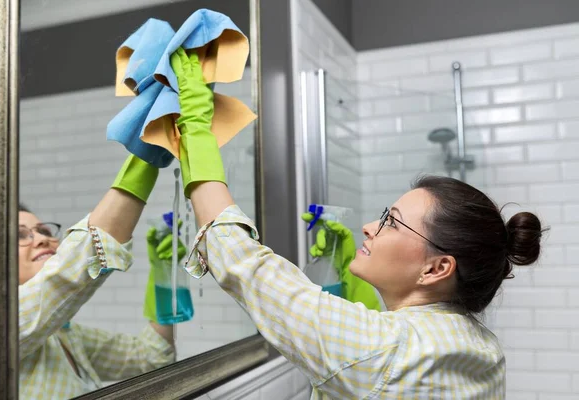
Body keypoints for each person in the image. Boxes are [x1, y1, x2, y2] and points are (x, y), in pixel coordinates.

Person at [168, 47, 545, 398]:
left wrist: (197, 129)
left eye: (390, 222)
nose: (369, 226)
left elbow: (244, 263)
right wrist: (348, 278)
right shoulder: (483, 348)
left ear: (436, 268)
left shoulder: (384, 349)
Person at [19, 155, 182, 399]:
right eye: (20, 235)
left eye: (43, 230)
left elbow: (151, 357)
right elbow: (68, 271)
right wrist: (144, 161)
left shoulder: (66, 336)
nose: (42, 238)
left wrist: (163, 272)